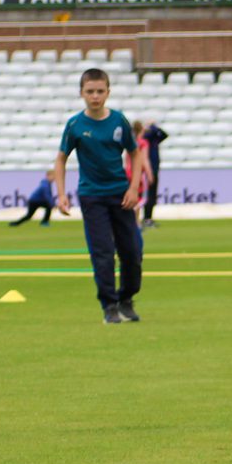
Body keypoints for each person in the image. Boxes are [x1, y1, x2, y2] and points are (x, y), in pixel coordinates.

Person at [54, 67, 144, 324]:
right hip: (92, 196)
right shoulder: (75, 124)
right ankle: (109, 306)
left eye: (100, 91)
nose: (95, 96)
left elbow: (135, 154)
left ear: (108, 92)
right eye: (90, 91)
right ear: (81, 93)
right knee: (103, 252)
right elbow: (61, 159)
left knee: (133, 251)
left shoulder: (119, 121)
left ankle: (126, 299)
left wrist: (133, 187)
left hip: (121, 194)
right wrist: (61, 194)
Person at [139, 121, 168, 228]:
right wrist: (150, 127)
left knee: (152, 195)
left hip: (154, 169)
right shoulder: (146, 139)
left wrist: (155, 127)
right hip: (148, 170)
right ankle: (146, 218)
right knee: (148, 195)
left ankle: (148, 217)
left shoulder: (154, 140)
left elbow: (164, 135)